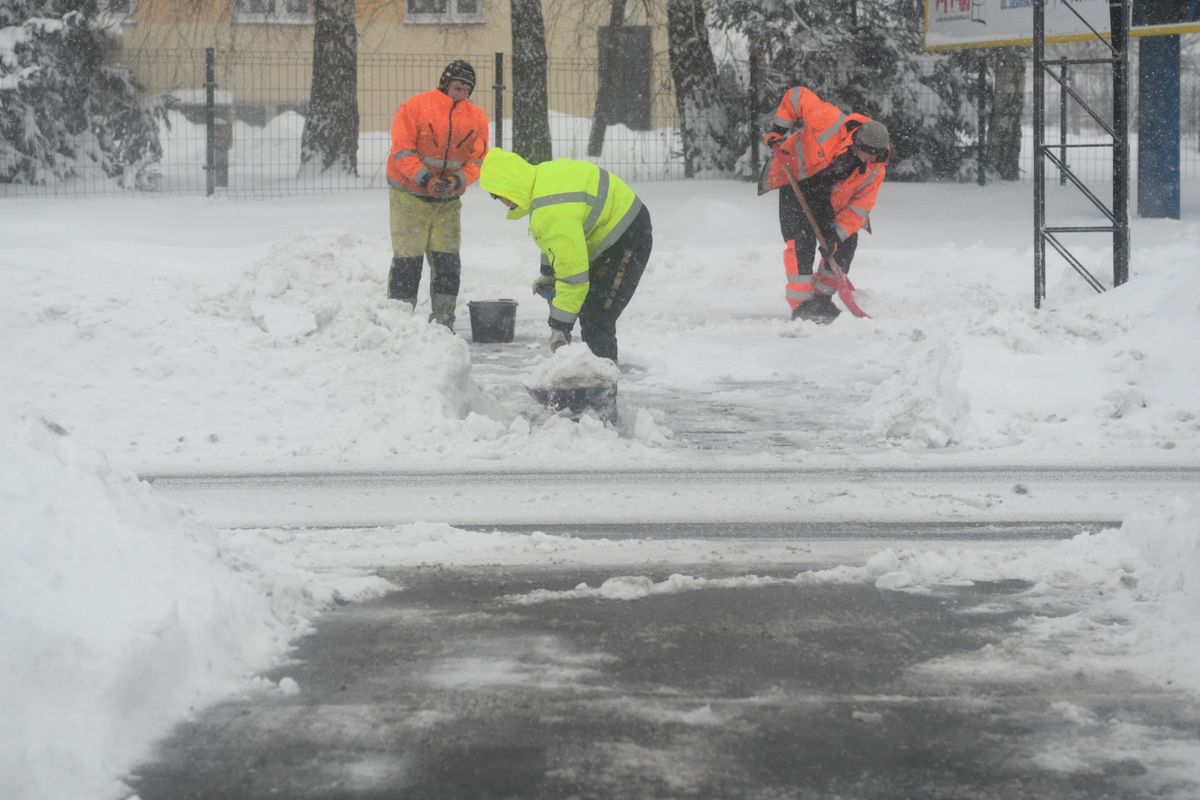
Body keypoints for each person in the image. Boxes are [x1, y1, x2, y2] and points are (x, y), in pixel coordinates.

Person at [478, 148, 651, 364]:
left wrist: (559, 327)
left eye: (497, 194)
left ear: (509, 185)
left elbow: (573, 277)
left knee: (597, 317)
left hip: (627, 236)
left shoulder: (550, 209)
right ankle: (596, 378)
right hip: (615, 229)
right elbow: (556, 244)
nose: (499, 201)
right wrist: (549, 273)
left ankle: (601, 388)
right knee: (590, 309)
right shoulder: (541, 181)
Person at [759, 86, 890, 323]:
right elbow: (796, 95)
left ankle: (822, 299)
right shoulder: (828, 121)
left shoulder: (875, 171)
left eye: (876, 156)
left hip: (829, 196)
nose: (871, 160)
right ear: (856, 144)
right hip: (796, 177)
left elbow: (859, 209)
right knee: (802, 239)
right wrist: (778, 129)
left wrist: (835, 235)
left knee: (848, 242)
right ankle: (801, 305)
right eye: (867, 154)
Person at [384, 59, 490, 329]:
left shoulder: (476, 117)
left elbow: (477, 160)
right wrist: (425, 179)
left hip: (447, 201)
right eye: (457, 87)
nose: (461, 94)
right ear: (445, 83)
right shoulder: (415, 107)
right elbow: (402, 150)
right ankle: (399, 320)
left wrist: (458, 180)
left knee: (447, 261)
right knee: (408, 259)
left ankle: (444, 318)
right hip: (409, 195)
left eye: (467, 90)